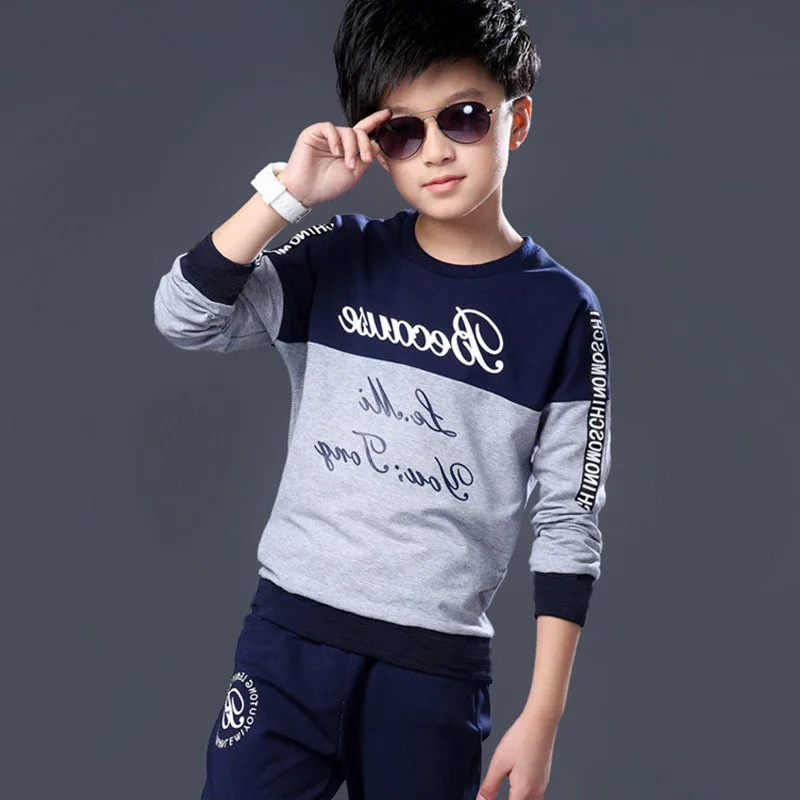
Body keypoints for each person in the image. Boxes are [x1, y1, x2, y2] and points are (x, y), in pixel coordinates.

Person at [152, 1, 612, 798]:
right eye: (403, 130)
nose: (435, 151)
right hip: (288, 643)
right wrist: (288, 194)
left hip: (430, 674)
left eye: (463, 117)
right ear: (376, 142)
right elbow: (184, 316)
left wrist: (542, 715)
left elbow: (570, 522)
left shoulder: (563, 313)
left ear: (516, 120)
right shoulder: (339, 254)